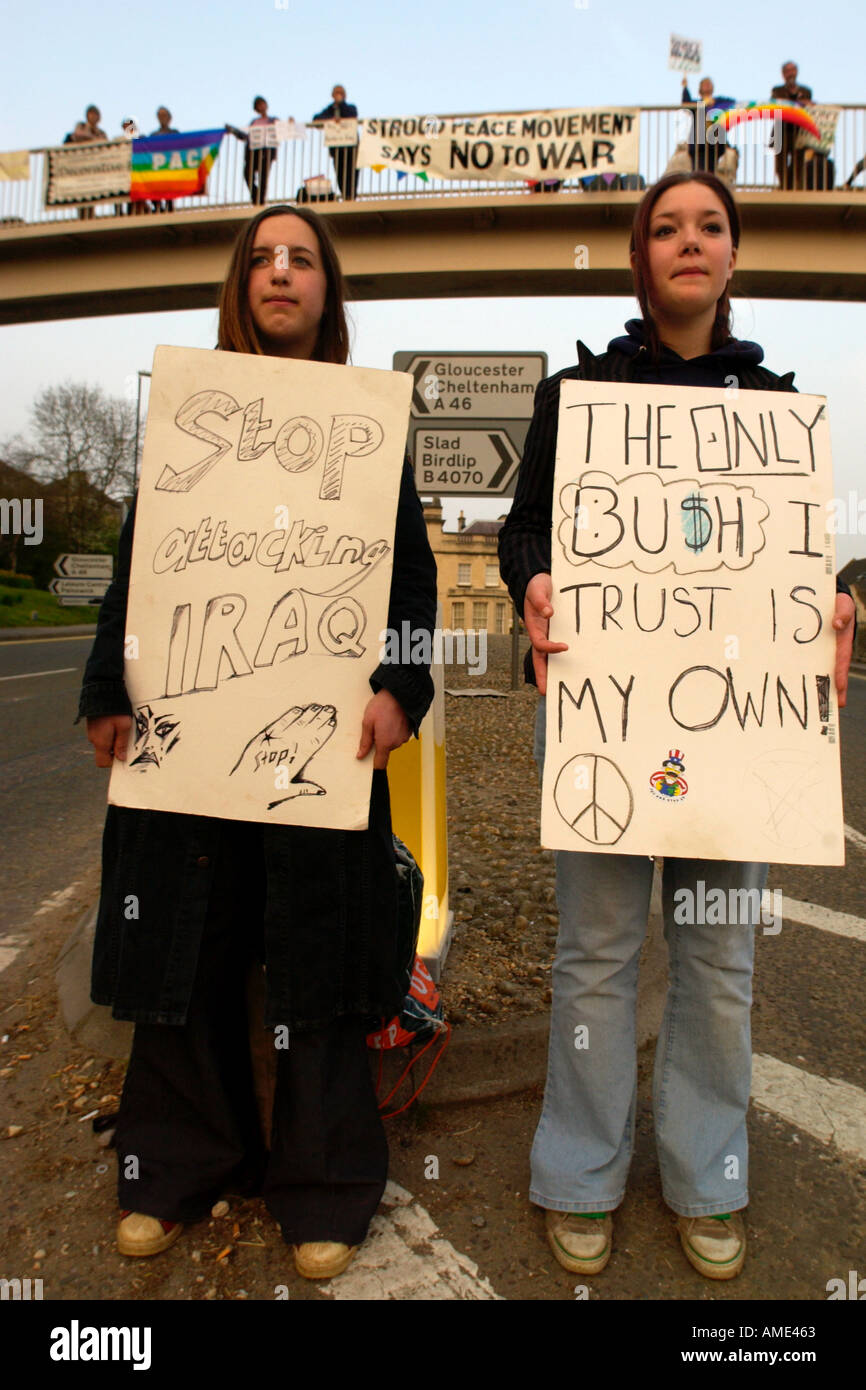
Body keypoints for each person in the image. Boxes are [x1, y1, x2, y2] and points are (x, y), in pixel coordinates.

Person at [498, 171, 856, 1283]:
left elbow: (800, 565)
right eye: (664, 228)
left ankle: (708, 1177)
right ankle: (578, 1174)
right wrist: (535, 587)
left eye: (709, 227)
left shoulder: (776, 405)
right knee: (594, 957)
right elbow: (522, 537)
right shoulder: (576, 397)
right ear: (638, 256)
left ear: (733, 257)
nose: (687, 243)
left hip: (733, 737)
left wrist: (832, 607)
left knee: (716, 961)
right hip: (610, 721)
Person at [79, 203, 437, 1279]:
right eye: (262, 258)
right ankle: (175, 1165)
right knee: (183, 941)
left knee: (318, 951)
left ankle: (323, 1179)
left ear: (328, 291)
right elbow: (139, 563)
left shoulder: (375, 426)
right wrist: (107, 679)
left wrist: (403, 684)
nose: (281, 272)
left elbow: (408, 579)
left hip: (317, 748)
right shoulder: (188, 418)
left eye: (303, 260)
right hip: (193, 735)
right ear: (240, 285)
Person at [226, 97, 280, 205]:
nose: (261, 107)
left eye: (262, 104)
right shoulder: (254, 122)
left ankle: (260, 201)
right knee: (247, 173)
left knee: (263, 177)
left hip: (266, 152)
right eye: (259, 105)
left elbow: (283, 129)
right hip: (253, 152)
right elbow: (246, 136)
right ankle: (256, 197)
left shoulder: (273, 120)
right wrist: (233, 131)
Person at [311, 85, 359, 201]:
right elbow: (316, 120)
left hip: (352, 148)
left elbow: (351, 114)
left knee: (352, 173)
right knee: (340, 173)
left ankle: (351, 196)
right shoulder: (329, 110)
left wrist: (341, 104)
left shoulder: (350, 107)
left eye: (341, 93)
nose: (338, 95)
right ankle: (345, 196)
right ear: (332, 95)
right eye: (336, 93)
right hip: (337, 149)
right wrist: (330, 119)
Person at [680, 76, 735, 175]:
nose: (707, 86)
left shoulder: (718, 102)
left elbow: (732, 103)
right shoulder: (697, 104)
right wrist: (685, 87)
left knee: (710, 173)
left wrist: (715, 102)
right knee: (698, 173)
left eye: (709, 84)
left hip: (714, 144)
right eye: (705, 84)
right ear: (700, 89)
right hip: (698, 144)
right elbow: (686, 104)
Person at [770, 61, 813, 190]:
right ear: (783, 74)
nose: (790, 74)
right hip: (781, 130)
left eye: (792, 70)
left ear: (797, 72)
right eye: (787, 71)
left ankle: (792, 187)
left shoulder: (806, 90)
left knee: (798, 162)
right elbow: (777, 104)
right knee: (780, 165)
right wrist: (797, 103)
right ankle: (784, 186)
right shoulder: (777, 90)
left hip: (799, 130)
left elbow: (807, 106)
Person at [69, 105, 107, 220]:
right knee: (81, 193)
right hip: (81, 166)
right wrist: (93, 138)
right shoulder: (81, 126)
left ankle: (90, 216)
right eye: (91, 114)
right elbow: (77, 136)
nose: (93, 116)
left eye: (95, 114)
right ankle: (81, 217)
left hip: (94, 168)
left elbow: (105, 143)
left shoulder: (101, 132)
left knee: (91, 193)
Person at [149, 107, 179, 213]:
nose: (162, 118)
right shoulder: (153, 135)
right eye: (160, 115)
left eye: (164, 115)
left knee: (168, 191)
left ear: (169, 118)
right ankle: (157, 207)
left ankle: (168, 207)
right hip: (157, 168)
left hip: (170, 167)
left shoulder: (174, 133)